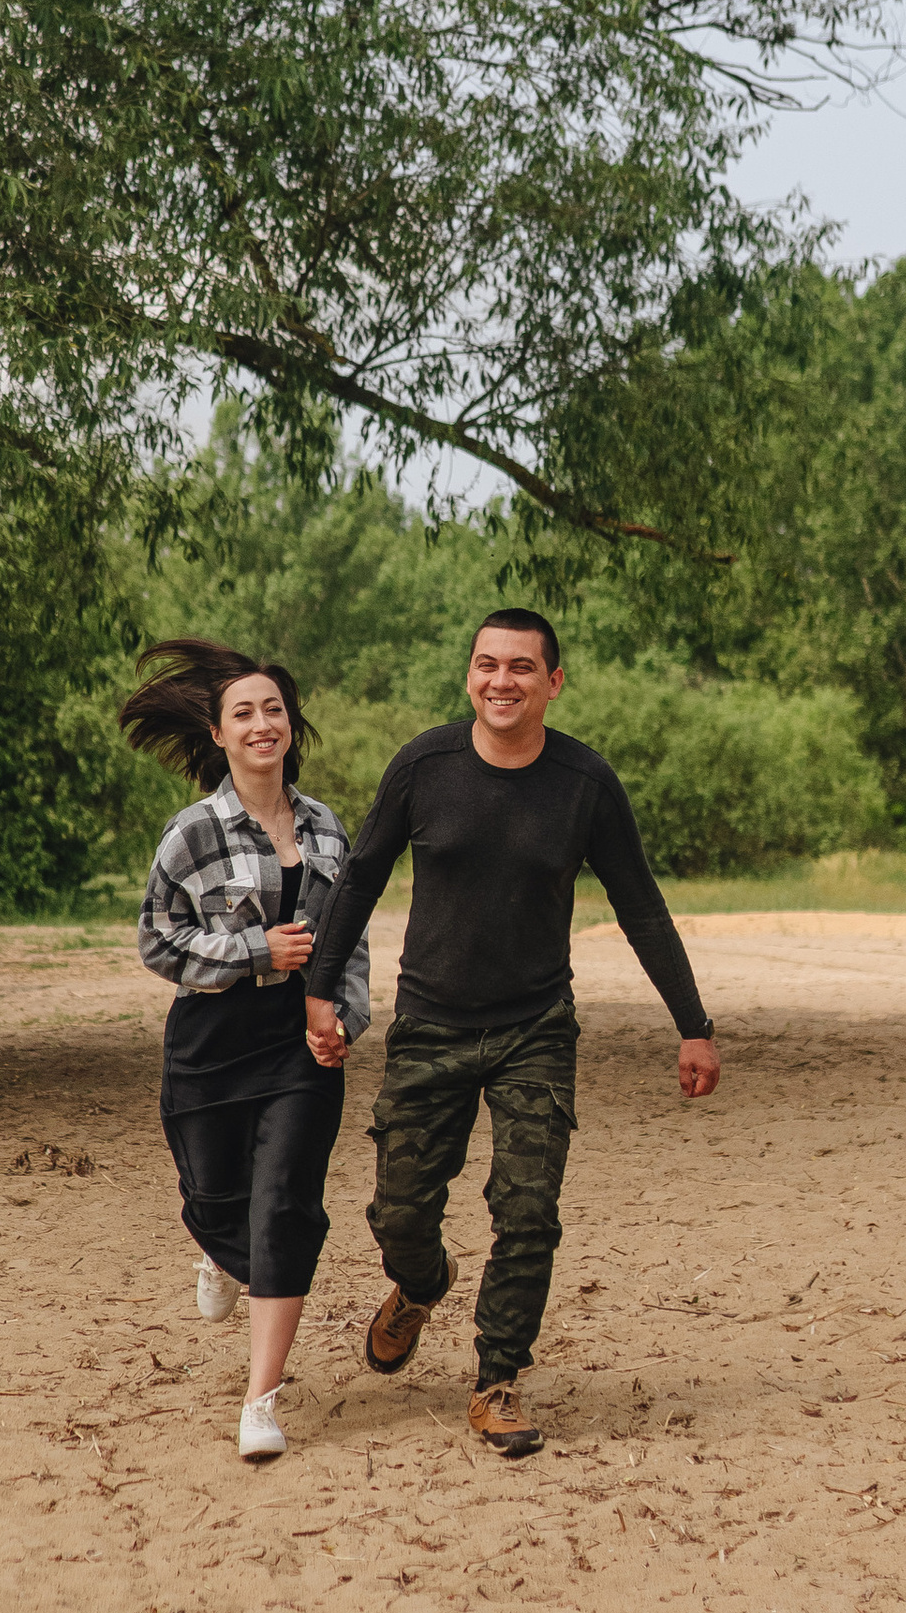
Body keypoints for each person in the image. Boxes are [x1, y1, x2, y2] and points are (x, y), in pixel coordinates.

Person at [302, 608, 719, 1459]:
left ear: (552, 682)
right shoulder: (424, 766)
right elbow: (358, 882)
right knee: (400, 1212)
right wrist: (320, 992)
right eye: (488, 664)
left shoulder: (584, 783)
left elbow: (640, 904)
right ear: (469, 676)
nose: (503, 680)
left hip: (536, 1027)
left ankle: (496, 1381)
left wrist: (693, 1025)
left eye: (522, 667)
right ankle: (420, 1285)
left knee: (528, 1210)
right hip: (430, 1023)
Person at [126, 640, 371, 1464]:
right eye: (245, 713)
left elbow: (350, 941)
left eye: (274, 710)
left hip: (301, 1051)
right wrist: (258, 951)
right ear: (219, 732)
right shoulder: (192, 833)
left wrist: (342, 1016)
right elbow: (158, 945)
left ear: (291, 725)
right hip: (212, 1043)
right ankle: (218, 1248)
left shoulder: (329, 828)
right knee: (216, 1194)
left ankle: (261, 1397)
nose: (263, 724)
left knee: (286, 1206)